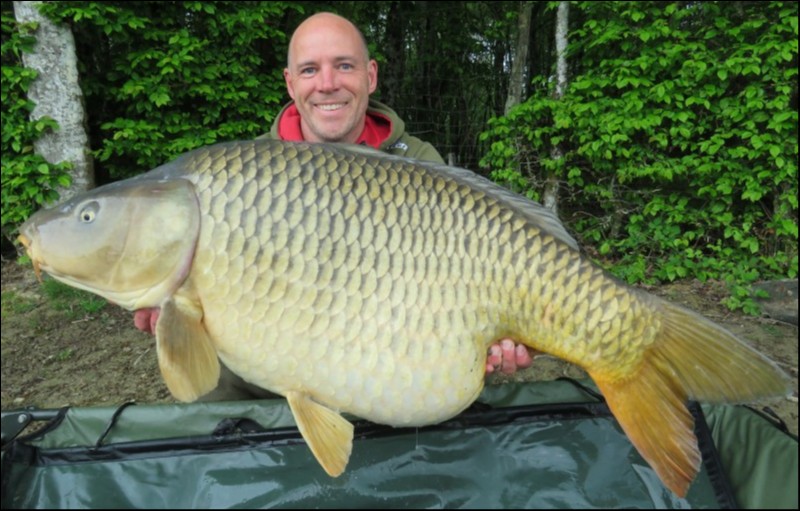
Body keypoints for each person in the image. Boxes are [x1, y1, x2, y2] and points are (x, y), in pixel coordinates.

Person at [134, 12, 533, 400]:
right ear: (290, 83)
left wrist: (496, 338)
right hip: (262, 388)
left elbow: (457, 284)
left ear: (370, 75)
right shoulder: (242, 177)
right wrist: (179, 315)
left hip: (383, 371)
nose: (327, 84)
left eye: (344, 66)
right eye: (309, 70)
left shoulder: (418, 161)